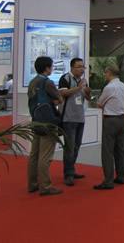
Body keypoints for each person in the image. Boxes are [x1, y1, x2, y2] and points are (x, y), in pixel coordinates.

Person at [27, 56, 64, 196]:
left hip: (36, 120)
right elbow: (59, 98)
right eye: (51, 66)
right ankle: (46, 186)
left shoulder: (32, 82)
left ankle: (32, 184)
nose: (52, 68)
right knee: (45, 156)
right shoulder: (47, 82)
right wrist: (56, 100)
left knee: (34, 154)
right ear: (47, 68)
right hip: (48, 122)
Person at [94, 65, 124, 190]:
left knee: (107, 151)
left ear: (109, 73)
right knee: (120, 150)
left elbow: (99, 103)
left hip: (111, 120)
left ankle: (108, 181)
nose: (104, 75)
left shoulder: (109, 87)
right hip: (122, 119)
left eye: (105, 73)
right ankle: (121, 176)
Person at [58, 58, 91, 186]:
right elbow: (63, 93)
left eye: (83, 67)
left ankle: (71, 169)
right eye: (79, 66)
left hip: (80, 117)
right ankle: (68, 174)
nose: (82, 69)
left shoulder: (83, 80)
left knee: (77, 146)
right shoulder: (65, 78)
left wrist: (87, 92)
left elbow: (87, 97)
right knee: (69, 147)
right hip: (68, 118)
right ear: (72, 67)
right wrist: (78, 87)